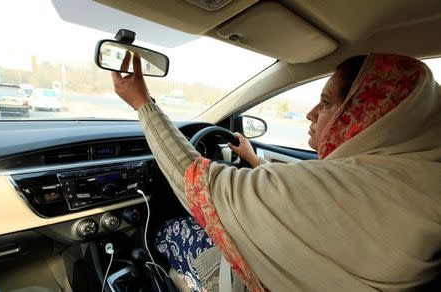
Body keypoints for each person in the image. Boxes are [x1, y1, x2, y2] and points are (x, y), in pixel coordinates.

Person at [111, 53, 441, 291]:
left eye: (325, 103)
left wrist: (143, 104)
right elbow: (302, 191)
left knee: (171, 230)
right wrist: (255, 162)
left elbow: (196, 182)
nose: (311, 114)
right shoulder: (418, 178)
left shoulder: (335, 191)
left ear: (367, 113)